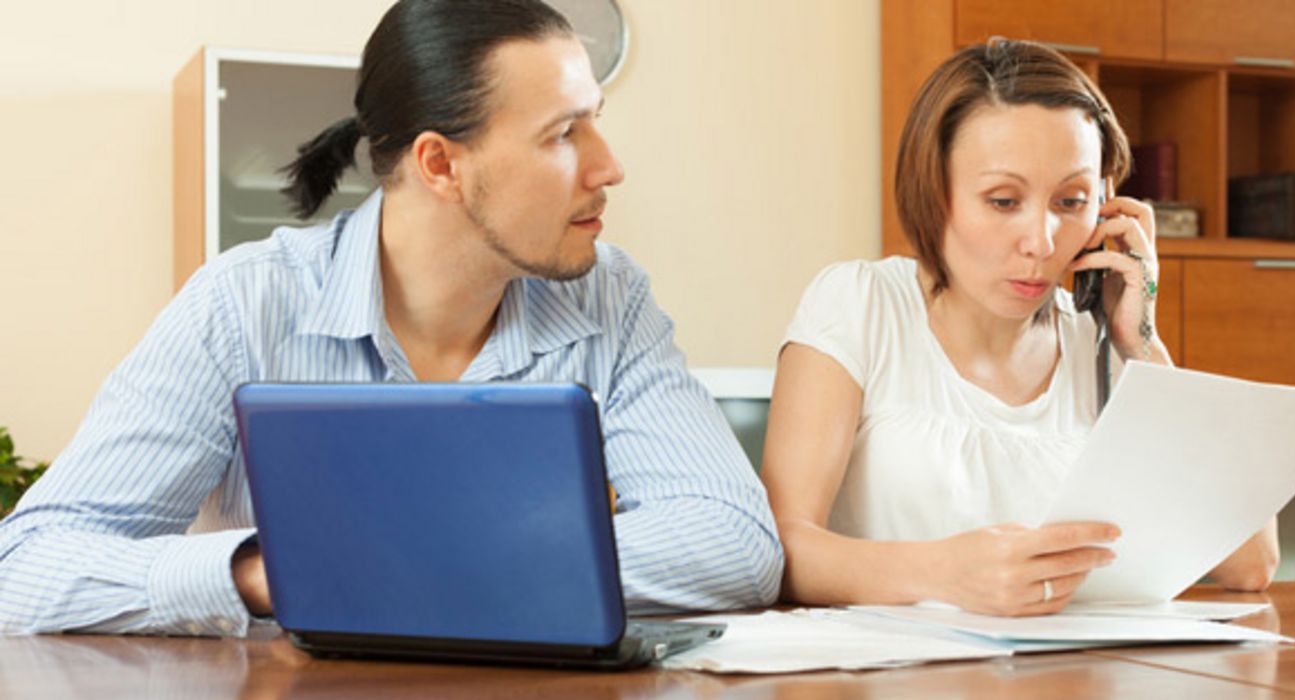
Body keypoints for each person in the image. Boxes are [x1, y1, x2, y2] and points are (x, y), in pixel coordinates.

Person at [0, 0, 781, 637]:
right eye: (563, 134)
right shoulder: (243, 303)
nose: (608, 165)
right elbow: (28, 568)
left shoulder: (609, 295)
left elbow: (733, 543)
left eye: (594, 121)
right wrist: (261, 575)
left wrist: (394, 562)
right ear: (440, 164)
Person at [761, 39, 1278, 617]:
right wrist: (946, 574)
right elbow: (779, 548)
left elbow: (1251, 563)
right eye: (1004, 201)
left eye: (1072, 200)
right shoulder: (859, 304)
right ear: (935, 192)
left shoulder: (1103, 343)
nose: (1042, 241)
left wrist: (1144, 345)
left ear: (1107, 205)